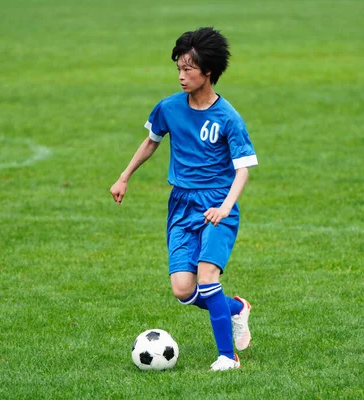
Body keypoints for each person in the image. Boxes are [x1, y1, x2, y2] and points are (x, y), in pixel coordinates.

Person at [110, 27, 258, 371]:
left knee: (207, 278)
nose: (181, 76)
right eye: (178, 68)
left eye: (188, 69)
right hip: (181, 204)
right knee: (183, 290)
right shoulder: (169, 107)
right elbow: (151, 142)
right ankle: (236, 309)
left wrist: (225, 206)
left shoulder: (228, 118)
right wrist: (124, 176)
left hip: (217, 207)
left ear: (208, 72)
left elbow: (243, 169)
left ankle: (227, 357)